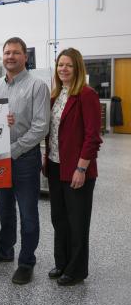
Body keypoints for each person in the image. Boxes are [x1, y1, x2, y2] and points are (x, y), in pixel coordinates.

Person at [0, 37, 50, 285]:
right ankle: (4, 251)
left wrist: (14, 149)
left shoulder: (37, 86)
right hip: (0, 159)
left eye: (16, 53)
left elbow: (41, 127)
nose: (10, 56)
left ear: (25, 57)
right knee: (4, 210)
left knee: (29, 213)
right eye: (7, 52)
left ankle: (26, 262)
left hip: (25, 159)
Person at [44, 48, 102, 286]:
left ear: (77, 68)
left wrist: (81, 169)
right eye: (60, 65)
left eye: (68, 65)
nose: (63, 69)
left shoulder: (86, 95)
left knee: (77, 222)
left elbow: (92, 137)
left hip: (77, 169)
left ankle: (76, 270)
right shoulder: (56, 95)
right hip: (56, 166)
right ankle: (62, 262)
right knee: (59, 219)